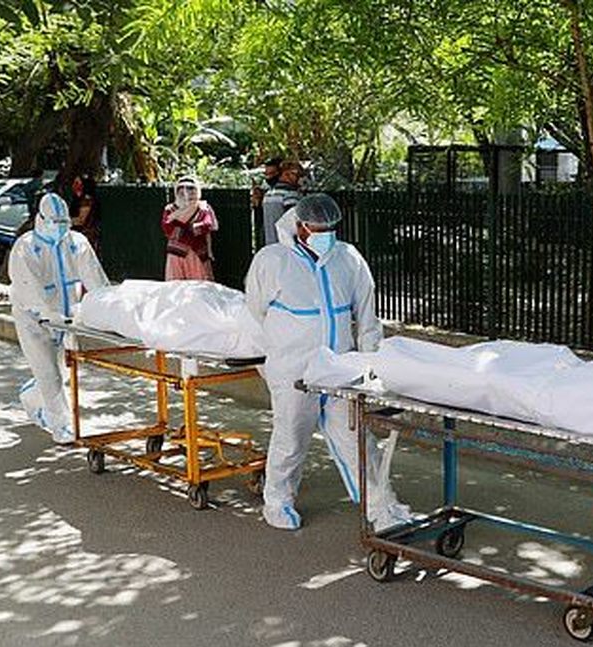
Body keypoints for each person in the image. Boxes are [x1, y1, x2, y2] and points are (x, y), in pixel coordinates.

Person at [245, 193, 409, 532]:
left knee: (358, 441)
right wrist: (283, 346)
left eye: (330, 228)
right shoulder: (272, 260)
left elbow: (367, 316)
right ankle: (277, 502)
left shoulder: (347, 258)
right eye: (317, 229)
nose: (324, 235)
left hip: (340, 370)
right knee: (291, 439)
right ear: (300, 226)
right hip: (293, 369)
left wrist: (370, 364)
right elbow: (256, 311)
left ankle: (383, 509)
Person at [8, 193, 110, 444]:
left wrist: (109, 309)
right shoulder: (26, 246)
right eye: (55, 222)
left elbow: (95, 280)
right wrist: (47, 314)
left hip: (68, 319)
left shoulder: (76, 242)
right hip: (34, 320)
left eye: (64, 222)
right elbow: (28, 287)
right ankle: (61, 426)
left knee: (62, 372)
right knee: (48, 374)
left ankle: (31, 395)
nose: (60, 227)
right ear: (41, 219)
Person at [161, 176, 218, 281]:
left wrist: (185, 227)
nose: (186, 191)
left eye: (191, 188)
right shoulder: (170, 209)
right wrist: (190, 228)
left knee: (199, 285)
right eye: (181, 188)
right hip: (176, 254)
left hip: (197, 253)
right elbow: (168, 228)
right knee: (175, 286)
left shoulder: (203, 208)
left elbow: (207, 224)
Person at [260, 160, 303, 245]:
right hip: (287, 244)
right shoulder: (290, 194)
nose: (299, 179)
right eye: (297, 174)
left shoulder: (268, 194)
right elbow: (294, 221)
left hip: (270, 243)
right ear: (286, 174)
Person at [69, 174, 101, 254]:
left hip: (86, 237)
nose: (74, 186)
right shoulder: (76, 199)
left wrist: (64, 221)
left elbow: (81, 220)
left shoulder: (87, 200)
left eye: (78, 183)